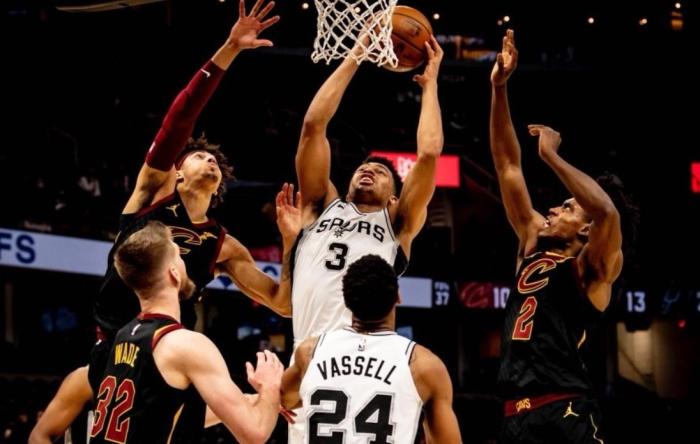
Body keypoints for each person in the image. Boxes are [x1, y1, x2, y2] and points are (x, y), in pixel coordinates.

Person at [29, 1, 291, 442]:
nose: (208, 159)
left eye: (214, 160)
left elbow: (282, 303)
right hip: (113, 348)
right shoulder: (152, 195)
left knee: (250, 410)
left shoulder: (222, 244)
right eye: (197, 155)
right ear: (178, 173)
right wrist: (228, 49)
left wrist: (292, 239)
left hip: (169, 353)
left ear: (219, 187)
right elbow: (178, 122)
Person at [286, 34, 445, 442]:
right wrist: (355, 54)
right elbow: (313, 125)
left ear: (394, 196)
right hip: (309, 356)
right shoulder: (320, 206)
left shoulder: (397, 223)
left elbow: (429, 154)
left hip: (370, 354)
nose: (369, 169)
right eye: (363, 167)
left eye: (382, 171)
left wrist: (431, 85)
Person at [490, 29, 634, 443]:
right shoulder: (533, 242)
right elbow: (507, 167)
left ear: (586, 229)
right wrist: (499, 88)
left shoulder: (594, 268)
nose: (552, 210)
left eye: (567, 208)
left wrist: (551, 155)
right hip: (513, 415)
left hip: (565, 408)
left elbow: (606, 211)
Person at [89, 221, 283, 443]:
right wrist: (270, 386)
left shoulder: (124, 335)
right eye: (179, 257)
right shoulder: (185, 345)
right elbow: (255, 434)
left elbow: (160, 416)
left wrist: (252, 402)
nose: (185, 262)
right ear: (174, 273)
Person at [281, 255, 462, 443]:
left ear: (346, 300)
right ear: (398, 297)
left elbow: (283, 398)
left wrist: (275, 395)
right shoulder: (424, 365)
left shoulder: (310, 352)